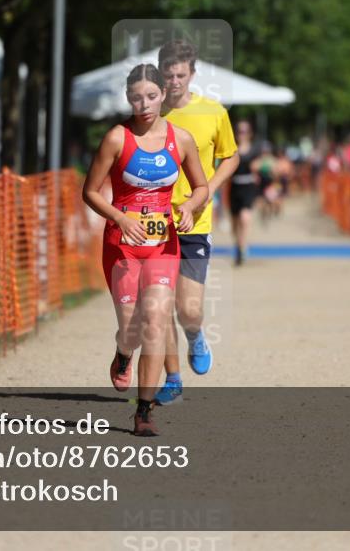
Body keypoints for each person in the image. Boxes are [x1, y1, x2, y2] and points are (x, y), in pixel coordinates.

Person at [81, 64, 208, 436]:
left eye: (151, 96)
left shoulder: (180, 139)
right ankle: (123, 353)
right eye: (137, 97)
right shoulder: (117, 139)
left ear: (164, 95)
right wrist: (120, 219)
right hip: (122, 246)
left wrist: (187, 208)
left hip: (163, 246)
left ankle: (145, 410)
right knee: (132, 329)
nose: (145, 104)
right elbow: (89, 192)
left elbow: (201, 186)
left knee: (155, 321)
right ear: (128, 98)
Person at [154, 40, 239, 406]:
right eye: (168, 75)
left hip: (195, 222)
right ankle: (172, 378)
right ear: (160, 74)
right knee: (160, 303)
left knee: (188, 309)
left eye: (181, 75)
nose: (174, 82)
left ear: (192, 73)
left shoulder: (213, 112)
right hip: (153, 222)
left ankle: (195, 336)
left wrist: (209, 191)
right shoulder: (150, 114)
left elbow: (231, 157)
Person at [229, 119, 261, 266]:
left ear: (250, 133)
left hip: (248, 185)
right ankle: (238, 244)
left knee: (245, 218)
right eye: (240, 131)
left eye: (245, 131)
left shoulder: (255, 149)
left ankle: (243, 247)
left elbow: (259, 166)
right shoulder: (231, 148)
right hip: (234, 186)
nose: (242, 134)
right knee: (235, 222)